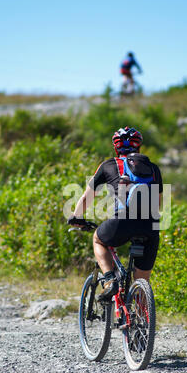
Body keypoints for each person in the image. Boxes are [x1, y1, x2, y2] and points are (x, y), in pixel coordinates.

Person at [68, 127, 163, 303]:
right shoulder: (153, 169)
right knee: (142, 281)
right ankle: (141, 325)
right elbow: (157, 204)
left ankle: (110, 279)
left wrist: (76, 217)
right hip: (150, 227)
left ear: (116, 148)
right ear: (139, 147)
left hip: (122, 222)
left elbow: (87, 197)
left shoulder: (108, 165)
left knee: (98, 239)